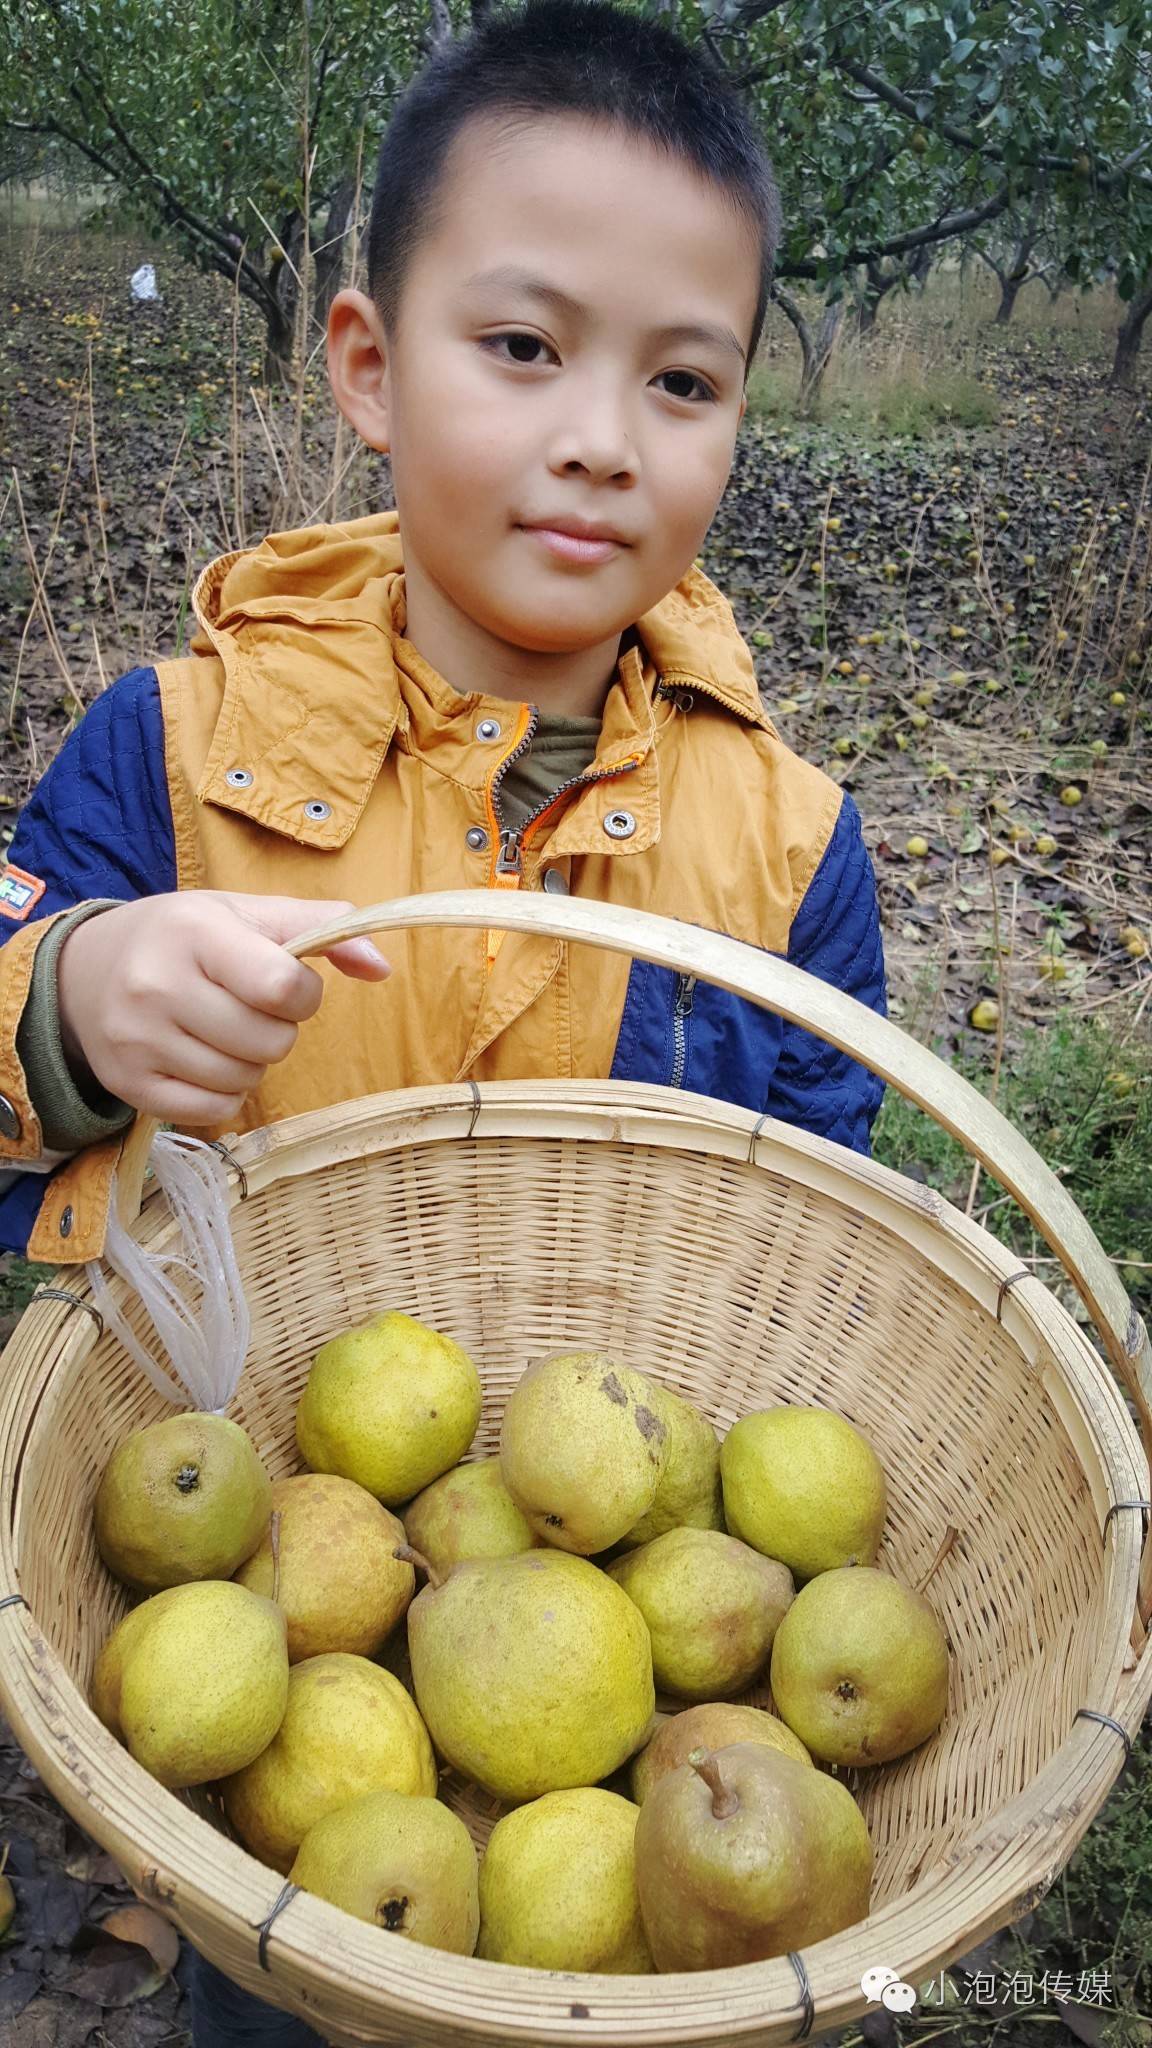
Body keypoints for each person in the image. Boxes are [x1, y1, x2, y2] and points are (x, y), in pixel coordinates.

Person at [0, 1, 886, 2038]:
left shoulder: (792, 847)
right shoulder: (170, 750)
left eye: (683, 378)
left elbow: (831, 1247)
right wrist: (76, 997)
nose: (602, 434)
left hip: (650, 1758)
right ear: (367, 369)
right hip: (283, 1775)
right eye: (523, 348)